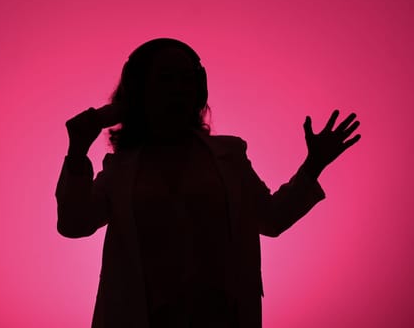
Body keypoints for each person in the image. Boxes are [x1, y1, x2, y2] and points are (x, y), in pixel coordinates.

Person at [55, 38, 361, 328]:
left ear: (199, 88)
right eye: (165, 78)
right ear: (139, 92)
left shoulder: (230, 156)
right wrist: (77, 151)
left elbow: (271, 219)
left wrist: (313, 166)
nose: (178, 88)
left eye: (186, 78)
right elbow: (74, 224)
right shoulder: (121, 168)